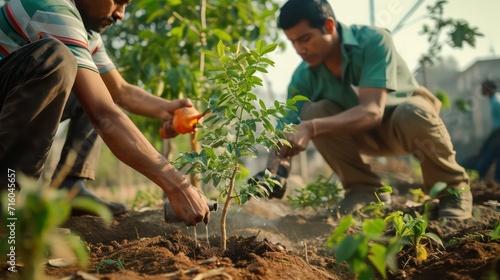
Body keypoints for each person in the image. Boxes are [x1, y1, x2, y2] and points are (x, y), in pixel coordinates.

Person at [253, 0, 472, 219]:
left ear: (329, 26)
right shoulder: (303, 77)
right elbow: (286, 128)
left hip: (403, 127)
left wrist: (310, 128)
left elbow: (372, 111)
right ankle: (364, 191)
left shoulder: (373, 41)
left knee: (412, 111)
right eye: (293, 42)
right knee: (313, 111)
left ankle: (453, 191)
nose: (299, 49)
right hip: (358, 137)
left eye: (305, 39)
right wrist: (275, 169)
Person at [0, 0, 210, 226]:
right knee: (58, 60)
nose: (121, 14)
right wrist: (177, 185)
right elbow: (104, 114)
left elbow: (120, 91)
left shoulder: (85, 31)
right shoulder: (49, 7)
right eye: (118, 1)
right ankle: (7, 203)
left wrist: (166, 110)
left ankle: (70, 188)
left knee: (91, 84)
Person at [474, 79, 500, 182]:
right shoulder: (493, 99)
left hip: (498, 133)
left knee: (487, 155)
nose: (482, 90)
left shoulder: (496, 101)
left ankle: (477, 177)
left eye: (484, 88)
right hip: (496, 132)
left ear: (489, 88)